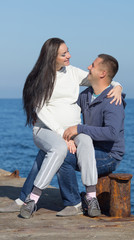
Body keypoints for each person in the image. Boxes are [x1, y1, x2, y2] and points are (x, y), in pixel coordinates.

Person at [0, 38, 122, 216]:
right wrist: (64, 136)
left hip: (72, 130)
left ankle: (90, 196)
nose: (69, 56)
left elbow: (102, 80)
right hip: (46, 130)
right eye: (64, 54)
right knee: (58, 149)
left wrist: (118, 86)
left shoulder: (72, 72)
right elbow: (41, 111)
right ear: (51, 57)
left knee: (86, 141)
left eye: (68, 51)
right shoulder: (39, 79)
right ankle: (33, 198)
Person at [55, 53, 125, 217]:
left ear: (102, 73)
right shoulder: (85, 95)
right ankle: (76, 202)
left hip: (109, 155)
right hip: (89, 149)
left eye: (92, 65)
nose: (88, 67)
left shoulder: (112, 101)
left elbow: (112, 133)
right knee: (57, 153)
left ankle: (74, 202)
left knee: (63, 158)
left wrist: (80, 129)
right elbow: (68, 113)